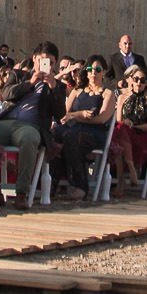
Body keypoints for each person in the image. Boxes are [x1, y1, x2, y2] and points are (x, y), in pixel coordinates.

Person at [0, 54, 61, 209]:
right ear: (34, 58)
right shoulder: (18, 75)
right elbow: (6, 94)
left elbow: (60, 113)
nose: (45, 64)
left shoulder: (57, 85)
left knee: (29, 139)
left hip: (31, 126)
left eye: (50, 62)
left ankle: (21, 193)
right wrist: (30, 83)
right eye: (41, 60)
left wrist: (54, 89)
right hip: (7, 121)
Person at [53, 60, 116, 197]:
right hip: (72, 129)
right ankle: (50, 181)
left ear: (104, 72)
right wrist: (79, 114)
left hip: (94, 132)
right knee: (52, 135)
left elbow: (101, 118)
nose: (93, 72)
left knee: (71, 137)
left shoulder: (107, 94)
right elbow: (63, 115)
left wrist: (74, 117)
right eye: (90, 69)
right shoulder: (77, 91)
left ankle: (80, 185)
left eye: (98, 69)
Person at [107, 64, 147, 196]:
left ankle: (122, 182)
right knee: (120, 130)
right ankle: (130, 167)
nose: (138, 82)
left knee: (120, 134)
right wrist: (125, 122)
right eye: (136, 79)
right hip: (125, 133)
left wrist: (133, 126)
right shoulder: (123, 97)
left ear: (146, 84)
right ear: (131, 80)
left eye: (142, 80)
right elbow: (118, 119)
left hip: (143, 134)